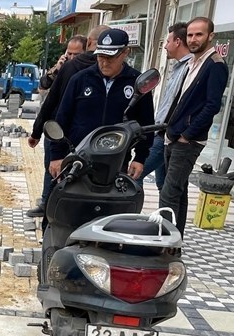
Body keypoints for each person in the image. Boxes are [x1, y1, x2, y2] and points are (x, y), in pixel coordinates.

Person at [26, 25, 109, 218]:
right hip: (59, 128)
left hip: (71, 132)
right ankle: (49, 204)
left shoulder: (87, 70)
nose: (72, 58)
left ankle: (56, 209)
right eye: (68, 54)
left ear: (88, 45)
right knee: (53, 168)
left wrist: (37, 132)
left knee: (63, 171)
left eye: (75, 53)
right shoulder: (68, 67)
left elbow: (52, 102)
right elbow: (46, 89)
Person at [51, 28, 155, 180]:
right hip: (78, 159)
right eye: (101, 56)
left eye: (110, 57)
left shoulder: (137, 83)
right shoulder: (80, 79)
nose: (104, 62)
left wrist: (140, 158)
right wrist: (56, 155)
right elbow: (62, 118)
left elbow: (146, 123)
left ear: (125, 53)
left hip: (117, 161)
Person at [160, 17, 229, 238]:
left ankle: (163, 242)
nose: (193, 39)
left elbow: (212, 106)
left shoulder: (215, 65)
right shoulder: (192, 63)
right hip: (173, 135)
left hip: (187, 140)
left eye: (199, 34)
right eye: (190, 35)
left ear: (211, 36)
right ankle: (174, 240)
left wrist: (187, 135)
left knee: (168, 194)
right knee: (177, 193)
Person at [137, 23, 193, 191]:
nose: (165, 46)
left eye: (167, 41)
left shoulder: (190, 68)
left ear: (177, 41)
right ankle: (167, 216)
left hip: (166, 134)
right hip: (161, 132)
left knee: (135, 174)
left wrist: (178, 133)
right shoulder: (178, 67)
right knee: (164, 185)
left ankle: (131, 214)